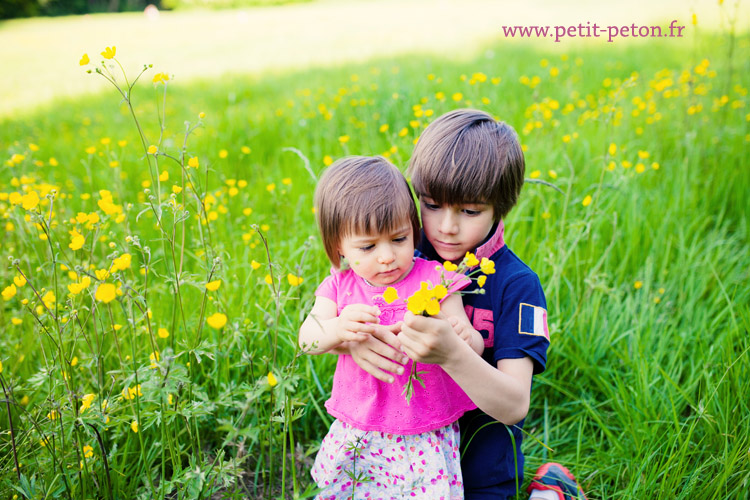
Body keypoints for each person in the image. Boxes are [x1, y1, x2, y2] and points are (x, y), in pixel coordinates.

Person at [347, 109, 585, 499]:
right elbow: (338, 304)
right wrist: (352, 337)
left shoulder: (517, 285)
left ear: (500, 207)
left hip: (479, 468)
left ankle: (551, 491)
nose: (446, 227)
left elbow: (514, 405)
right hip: (392, 459)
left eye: (470, 211)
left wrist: (454, 354)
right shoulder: (398, 254)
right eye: (432, 204)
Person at [299, 155, 484, 500]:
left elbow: (470, 341)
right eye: (368, 246)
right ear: (339, 245)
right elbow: (308, 338)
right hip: (361, 424)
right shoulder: (339, 286)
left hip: (425, 428)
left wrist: (463, 337)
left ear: (413, 229)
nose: (386, 256)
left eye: (399, 239)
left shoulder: (435, 279)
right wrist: (337, 328)